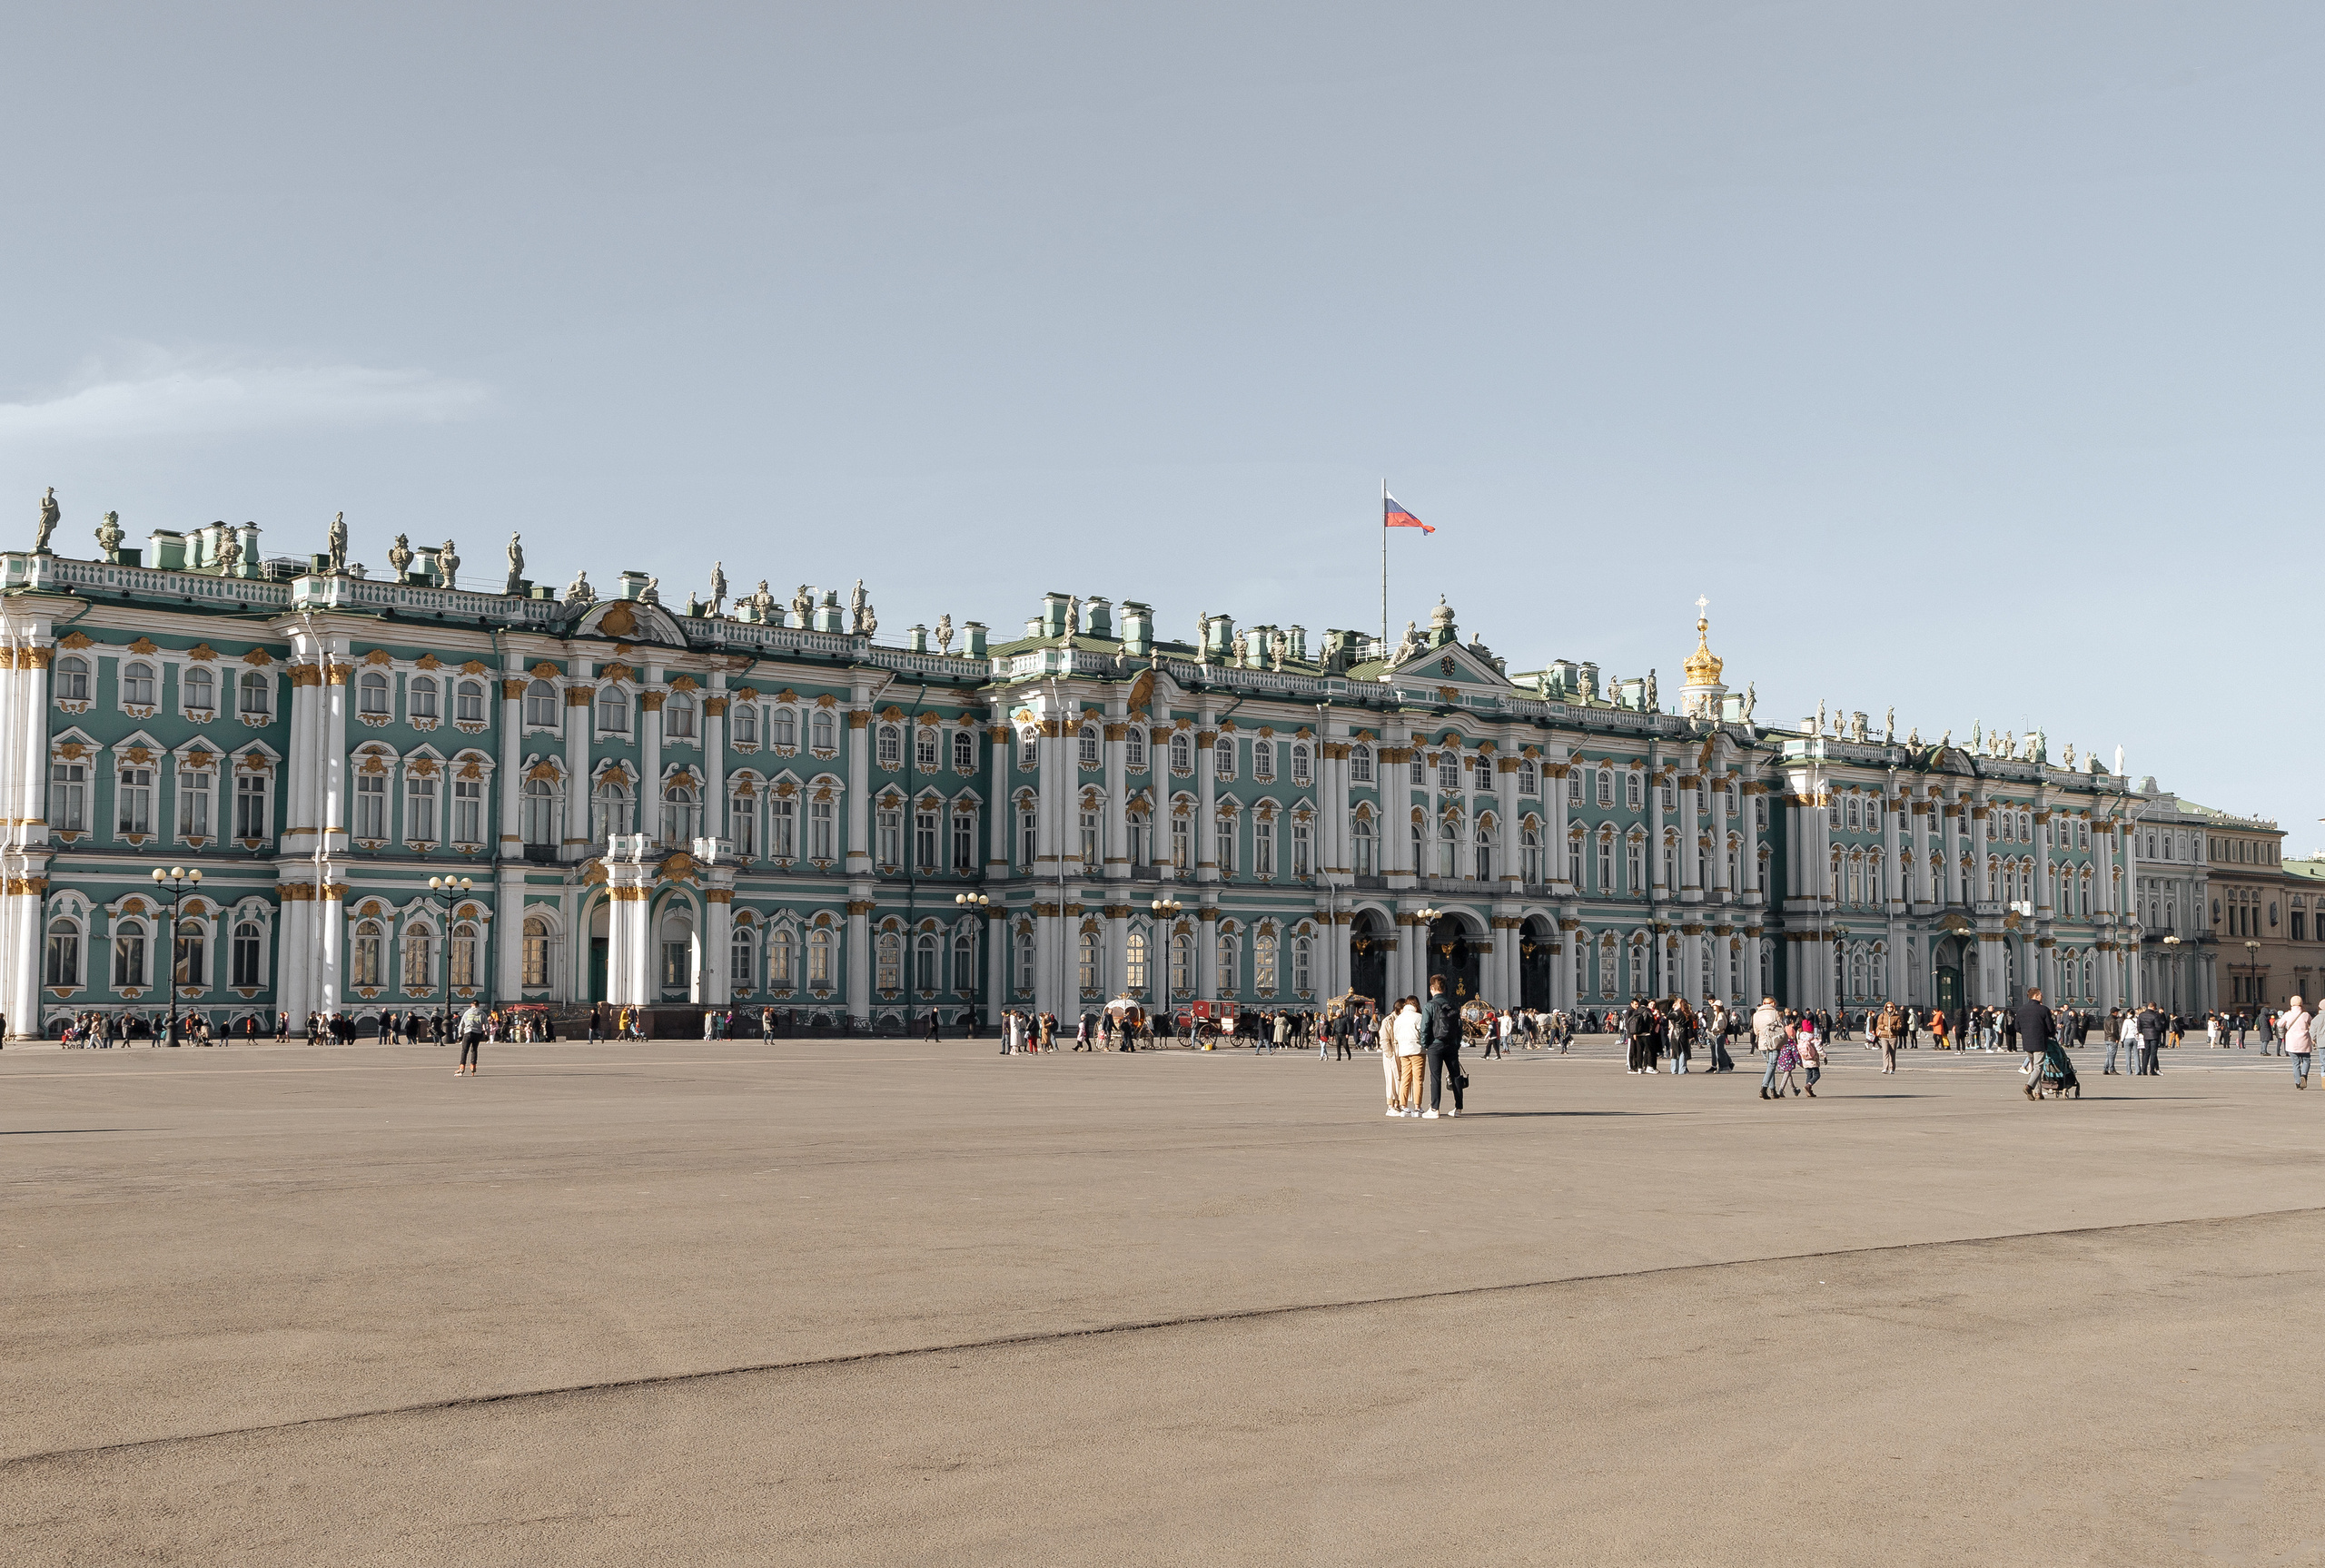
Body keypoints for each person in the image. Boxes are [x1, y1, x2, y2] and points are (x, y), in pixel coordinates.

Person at [1420, 976, 1465, 1118]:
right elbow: (1459, 1027)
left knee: (1435, 1077)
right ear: (1444, 988)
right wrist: (1457, 1043)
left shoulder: (1430, 1005)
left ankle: (1435, 1108)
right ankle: (1458, 1108)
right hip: (1451, 1044)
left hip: (1435, 1044)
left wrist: (1425, 1044)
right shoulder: (1452, 1005)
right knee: (1455, 1075)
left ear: (1431, 988)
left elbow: (1425, 1026)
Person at [2014, 987, 2058, 1100]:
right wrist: (2050, 1034)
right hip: (2039, 1041)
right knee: (2038, 1067)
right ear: (2036, 996)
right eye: (2041, 994)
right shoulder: (2043, 1009)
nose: (2042, 996)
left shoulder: (2021, 1009)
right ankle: (2029, 1086)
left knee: (2034, 1067)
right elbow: (2050, 1027)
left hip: (2027, 1042)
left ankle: (2038, 1093)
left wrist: (2026, 1033)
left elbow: (2017, 1027)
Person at [1391, 996, 1427, 1118]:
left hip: (1403, 1051)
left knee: (1405, 1079)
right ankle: (1417, 1107)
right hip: (1417, 1050)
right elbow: (1423, 1033)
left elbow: (1396, 1035)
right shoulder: (1419, 1017)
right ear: (1416, 1005)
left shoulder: (1399, 1019)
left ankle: (1404, 1107)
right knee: (1418, 1080)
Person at [1754, 996, 1787, 1100]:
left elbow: (1755, 1031)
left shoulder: (1756, 1014)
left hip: (1762, 1042)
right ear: (1772, 1004)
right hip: (1774, 1041)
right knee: (1772, 1065)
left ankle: (1773, 1090)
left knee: (1770, 1066)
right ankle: (1763, 1088)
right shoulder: (1774, 1013)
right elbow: (1781, 1027)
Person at [2285, 996, 2313, 1090]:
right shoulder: (2306, 1014)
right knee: (2306, 1060)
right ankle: (2304, 1075)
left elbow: (2279, 1024)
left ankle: (2298, 1083)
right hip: (2304, 1041)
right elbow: (2312, 1024)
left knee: (2295, 1063)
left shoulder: (2288, 1014)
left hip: (2292, 1042)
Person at [455, 1001, 485, 1076]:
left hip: (468, 1032)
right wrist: (487, 1034)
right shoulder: (482, 1013)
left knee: (464, 1050)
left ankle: (462, 1067)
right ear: (478, 1005)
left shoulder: (467, 1013)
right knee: (474, 1050)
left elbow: (462, 1024)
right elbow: (486, 1024)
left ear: (471, 1005)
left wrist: (460, 1034)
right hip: (477, 1033)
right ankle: (473, 1066)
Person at [1874, 1002, 1902, 1074]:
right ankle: (1885, 1068)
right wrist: (1884, 1027)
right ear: (1885, 1008)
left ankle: (1892, 1068)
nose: (1889, 1008)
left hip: (1893, 1037)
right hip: (1884, 1036)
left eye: (1891, 1007)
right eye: (1888, 1007)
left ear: (1893, 1008)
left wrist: (1893, 1027)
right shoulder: (1882, 1015)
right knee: (1885, 1052)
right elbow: (1879, 1025)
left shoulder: (1897, 1017)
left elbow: (1899, 1027)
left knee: (1892, 1053)